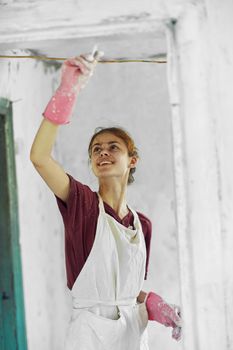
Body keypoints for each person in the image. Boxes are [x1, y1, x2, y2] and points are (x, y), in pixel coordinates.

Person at [30, 47, 182, 350]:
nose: (103, 152)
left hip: (133, 336)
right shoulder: (83, 206)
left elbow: (125, 292)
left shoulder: (143, 226)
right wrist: (67, 90)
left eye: (113, 147)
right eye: (96, 149)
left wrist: (155, 305)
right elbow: (40, 157)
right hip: (90, 337)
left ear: (132, 160)